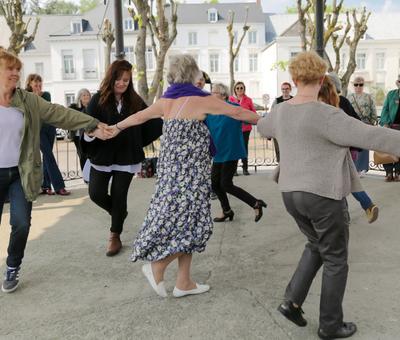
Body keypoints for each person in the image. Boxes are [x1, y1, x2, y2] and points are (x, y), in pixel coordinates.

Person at [257, 51, 400, 340]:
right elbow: (373, 135)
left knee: (315, 244)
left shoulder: (281, 110)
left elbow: (262, 127)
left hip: (290, 193)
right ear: (323, 79)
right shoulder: (328, 115)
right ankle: (330, 325)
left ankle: (291, 302)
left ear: (294, 79)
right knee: (335, 257)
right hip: (321, 195)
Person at [109, 54, 260, 298]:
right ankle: (157, 266)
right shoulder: (201, 100)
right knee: (194, 225)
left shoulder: (166, 101)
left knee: (188, 224)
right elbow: (238, 113)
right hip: (190, 178)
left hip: (170, 177)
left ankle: (184, 282)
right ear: (191, 73)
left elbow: (138, 118)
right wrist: (266, 120)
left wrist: (115, 127)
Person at [0, 49, 109, 293]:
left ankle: (12, 265)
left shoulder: (27, 100)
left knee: (21, 224)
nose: (16, 73)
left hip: (21, 173)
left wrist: (91, 123)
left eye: (18, 69)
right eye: (10, 68)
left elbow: (58, 113)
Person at [81, 60, 162, 257]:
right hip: (102, 156)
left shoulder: (134, 99)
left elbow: (148, 119)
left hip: (126, 156)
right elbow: (87, 125)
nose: (122, 83)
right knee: (96, 193)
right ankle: (119, 213)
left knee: (119, 196)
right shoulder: (98, 99)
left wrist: (166, 119)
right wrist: (92, 133)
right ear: (111, 78)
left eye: (126, 80)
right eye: (118, 79)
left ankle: (114, 235)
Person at [320, 76, 379, 224]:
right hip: (347, 149)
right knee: (347, 180)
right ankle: (366, 206)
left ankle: (351, 212)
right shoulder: (344, 101)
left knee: (339, 182)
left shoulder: (322, 104)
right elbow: (356, 122)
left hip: (332, 150)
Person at [206, 82, 267, 223]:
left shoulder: (234, 109)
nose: (210, 94)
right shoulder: (209, 112)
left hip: (232, 151)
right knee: (215, 184)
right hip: (218, 153)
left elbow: (252, 118)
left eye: (213, 92)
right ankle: (227, 211)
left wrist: (267, 128)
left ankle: (255, 203)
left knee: (226, 184)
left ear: (222, 95)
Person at [25, 74, 70, 196]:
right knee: (49, 156)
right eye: (35, 85)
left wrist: (38, 96)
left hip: (50, 127)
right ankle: (59, 186)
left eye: (40, 85)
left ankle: (45, 186)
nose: (38, 87)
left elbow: (45, 111)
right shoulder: (25, 96)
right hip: (37, 130)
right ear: (30, 84)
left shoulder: (46, 95)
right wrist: (35, 97)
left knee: (47, 157)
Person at [347, 76, 377, 176]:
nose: (358, 86)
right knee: (354, 147)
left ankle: (363, 168)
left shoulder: (368, 97)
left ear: (363, 85)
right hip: (353, 124)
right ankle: (354, 168)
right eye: (356, 84)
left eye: (361, 84)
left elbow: (373, 111)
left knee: (364, 147)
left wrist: (373, 122)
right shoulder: (349, 97)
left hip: (365, 123)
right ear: (353, 85)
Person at [229, 81, 256, 176]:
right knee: (235, 148)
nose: (240, 90)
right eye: (238, 88)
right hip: (234, 129)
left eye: (241, 88)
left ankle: (245, 168)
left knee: (244, 148)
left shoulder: (248, 100)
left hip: (246, 128)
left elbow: (253, 112)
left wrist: (248, 119)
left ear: (244, 89)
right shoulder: (230, 99)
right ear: (235, 90)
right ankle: (234, 170)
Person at [379, 75, 400, 182]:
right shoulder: (392, 94)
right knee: (386, 149)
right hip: (391, 127)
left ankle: (397, 172)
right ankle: (388, 172)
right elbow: (385, 109)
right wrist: (385, 123)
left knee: (398, 151)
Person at [68, 88, 92, 171]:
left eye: (88, 94)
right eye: (84, 95)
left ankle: (92, 176)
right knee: (82, 155)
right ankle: (86, 176)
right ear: (79, 97)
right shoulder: (74, 108)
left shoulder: (93, 107)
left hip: (91, 135)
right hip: (79, 136)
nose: (86, 96)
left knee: (91, 155)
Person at [271, 82, 294, 162]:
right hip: (279, 129)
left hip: (291, 130)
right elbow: (272, 115)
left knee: (291, 150)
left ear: (290, 89)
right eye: (283, 89)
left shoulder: (295, 100)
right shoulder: (277, 101)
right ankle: (280, 168)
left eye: (287, 89)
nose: (285, 91)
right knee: (279, 150)